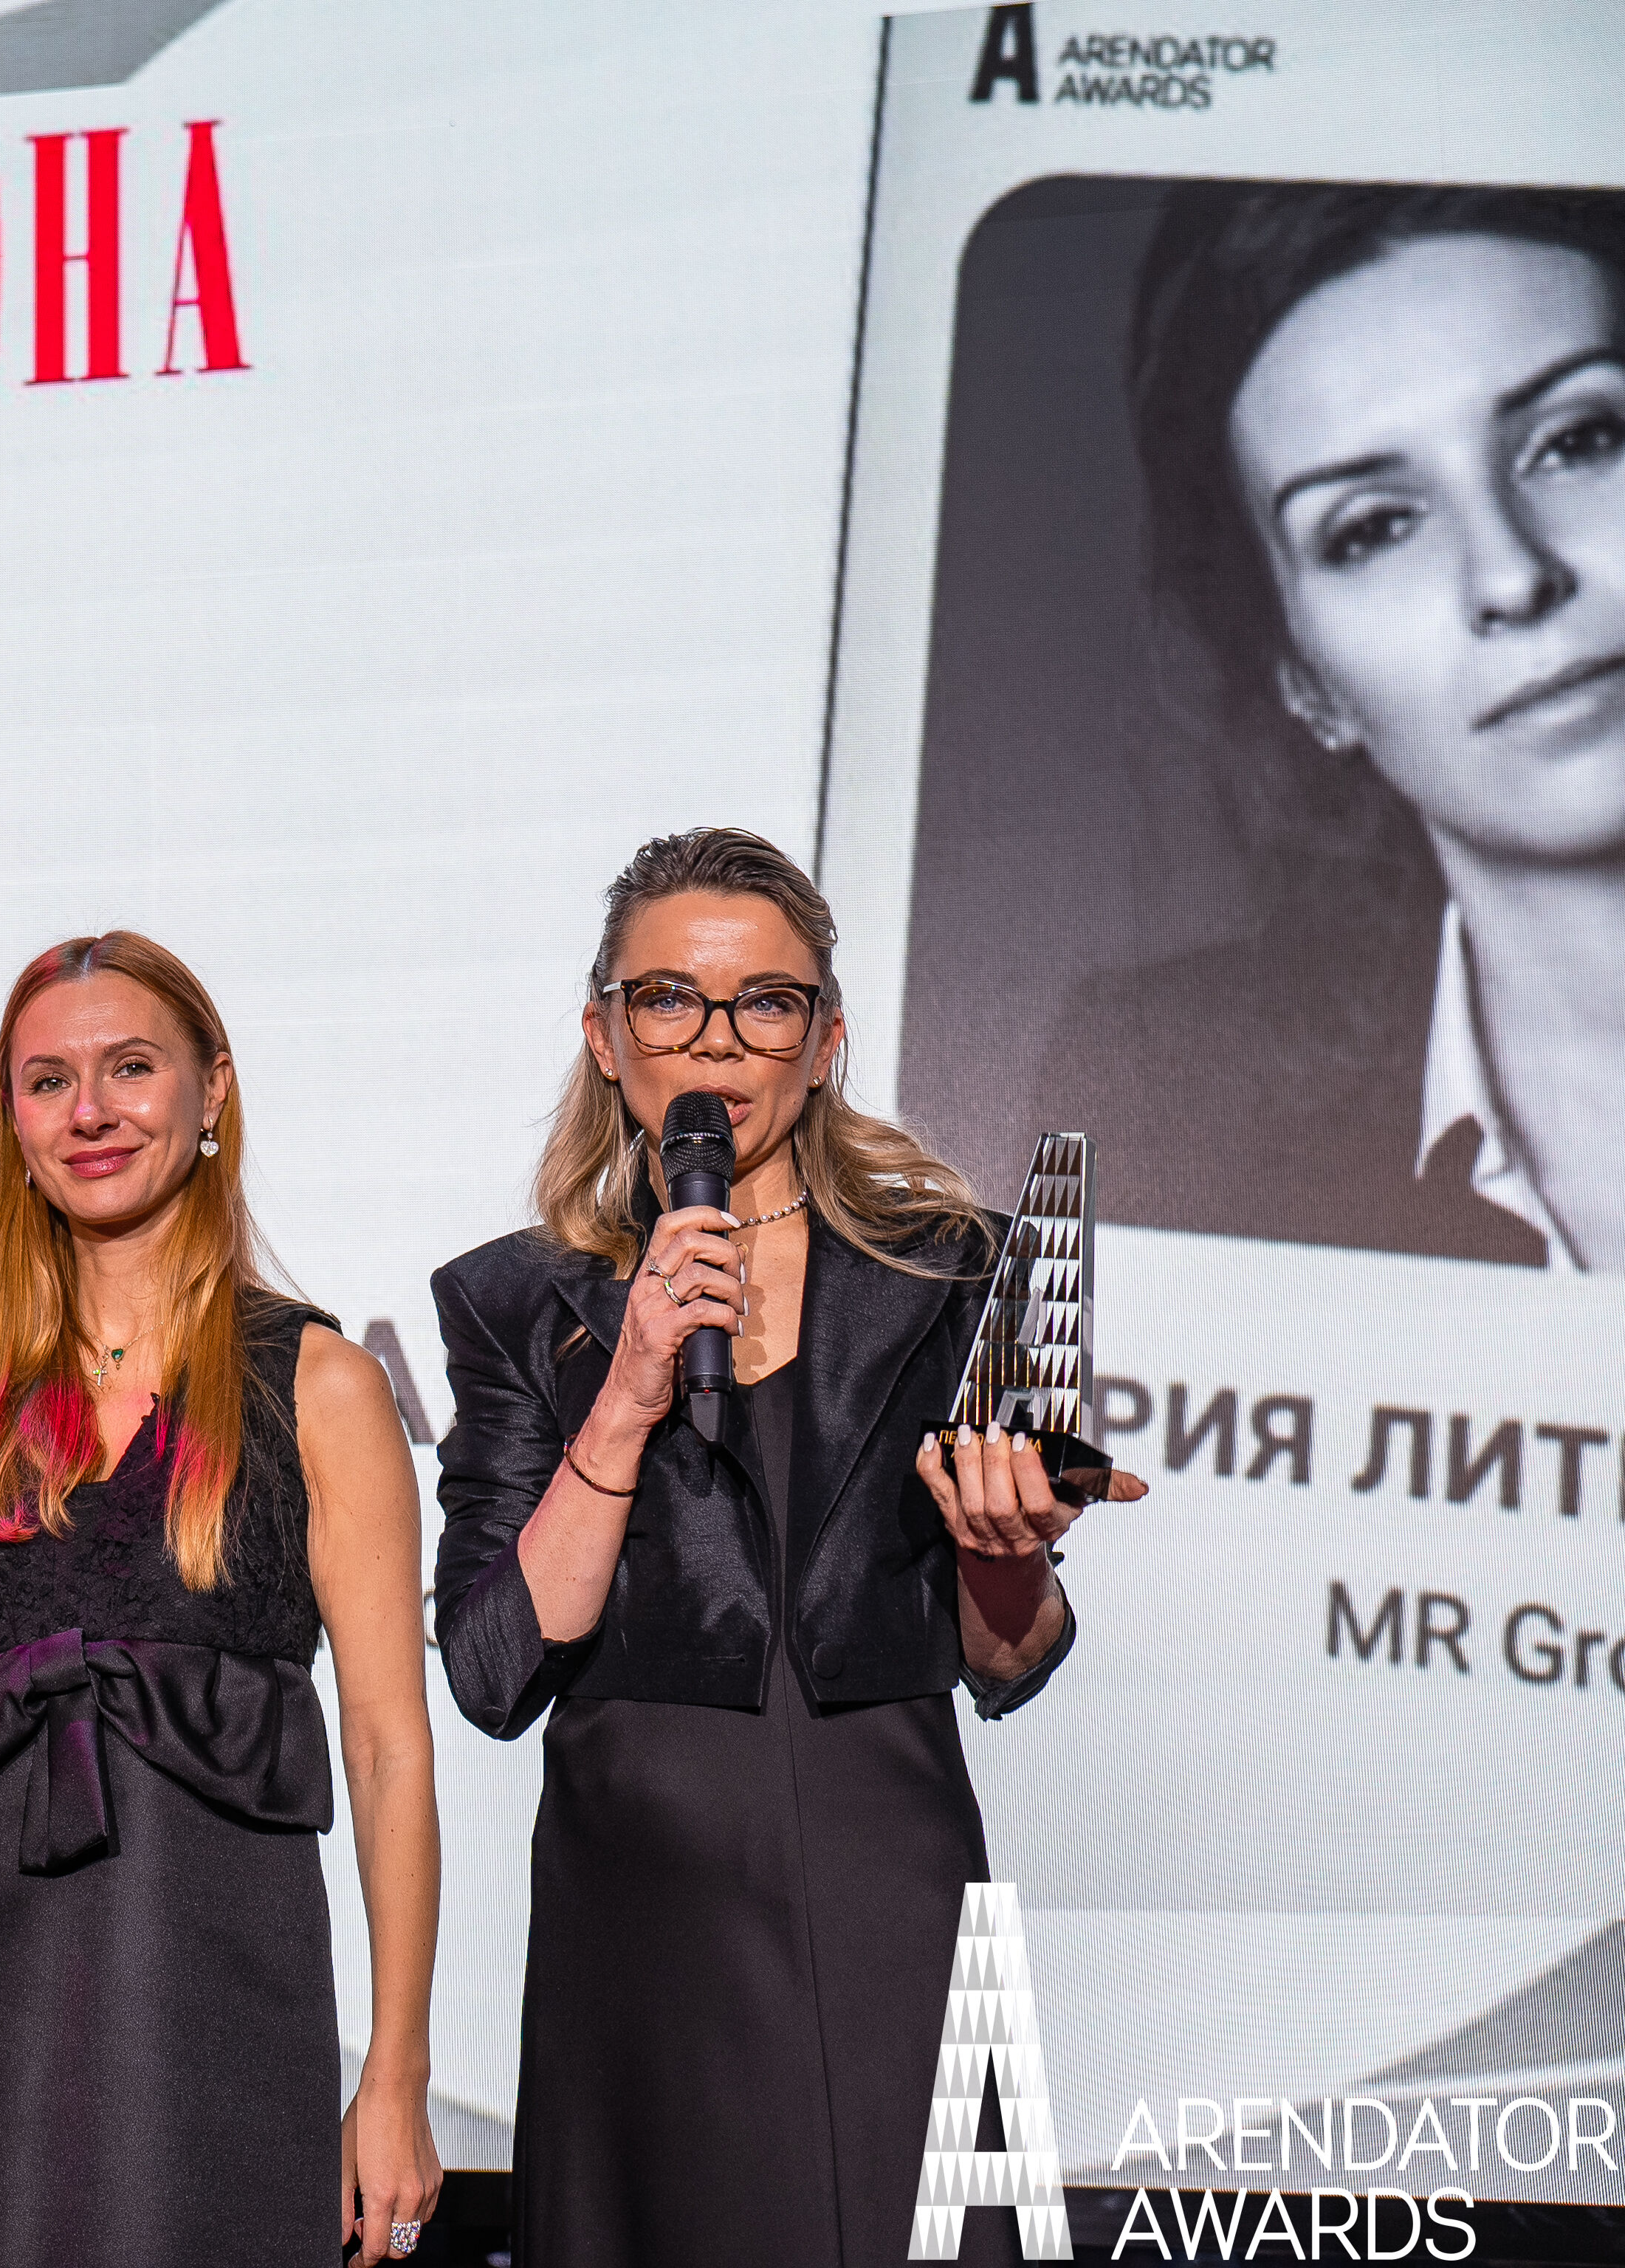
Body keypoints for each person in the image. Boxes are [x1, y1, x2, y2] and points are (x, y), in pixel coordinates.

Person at [432, 828, 1150, 2268]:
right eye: (668, 1000)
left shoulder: (959, 1271)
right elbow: (495, 1670)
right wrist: (630, 1388)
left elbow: (1010, 1663)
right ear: (604, 1034)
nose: (717, 1040)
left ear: (825, 1041)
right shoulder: (516, 1302)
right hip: (643, 1897)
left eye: (764, 1002)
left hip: (889, 1865)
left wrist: (1006, 1549)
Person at [0, 931, 444, 2268]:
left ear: (213, 1091)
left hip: (214, 2029)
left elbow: (388, 1753)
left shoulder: (320, 1387)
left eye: (131, 1068)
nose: (89, 1111)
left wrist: (395, 2076)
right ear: (14, 1123)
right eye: (49, 1081)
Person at [1038, 182, 1625, 1268]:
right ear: (1305, 680)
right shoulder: (1150, 1092)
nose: (1511, 576)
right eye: (1374, 528)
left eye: (1579, 440)